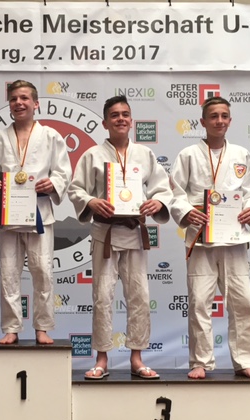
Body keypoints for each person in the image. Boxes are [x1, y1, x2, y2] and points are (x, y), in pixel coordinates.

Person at [68, 95, 173, 379]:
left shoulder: (144, 154)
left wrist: (158, 202)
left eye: (125, 114)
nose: (121, 119)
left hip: (134, 232)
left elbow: (163, 188)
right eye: (114, 115)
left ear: (131, 120)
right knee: (102, 296)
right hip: (105, 232)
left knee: (139, 295)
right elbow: (76, 189)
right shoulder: (92, 155)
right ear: (105, 123)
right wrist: (91, 201)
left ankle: (137, 357)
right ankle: (101, 358)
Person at [170, 96, 250, 380]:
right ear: (203, 121)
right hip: (201, 239)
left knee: (243, 301)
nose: (219, 121)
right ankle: (200, 361)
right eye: (213, 116)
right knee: (200, 302)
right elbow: (174, 192)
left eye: (224, 116)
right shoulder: (188, 155)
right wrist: (187, 212)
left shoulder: (241, 154)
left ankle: (246, 360)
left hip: (233, 239)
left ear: (230, 120)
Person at [0, 80, 71, 345]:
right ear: (9, 105)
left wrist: (53, 183)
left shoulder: (51, 136)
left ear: (35, 103)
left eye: (24, 98)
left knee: (43, 271)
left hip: (40, 213)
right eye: (13, 99)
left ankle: (43, 327)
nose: (18, 103)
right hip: (9, 216)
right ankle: (11, 327)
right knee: (8, 273)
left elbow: (63, 170)